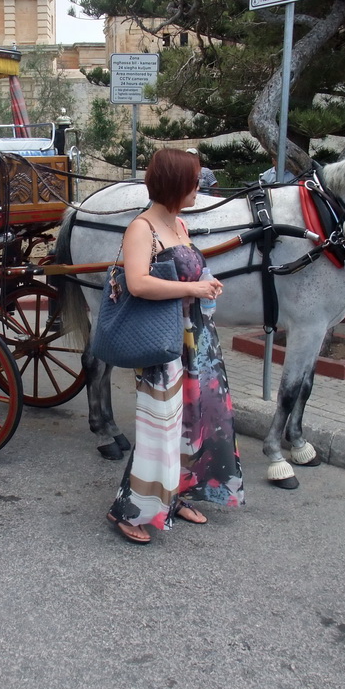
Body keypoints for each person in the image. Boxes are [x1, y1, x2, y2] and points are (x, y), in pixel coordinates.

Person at [106, 148, 245, 545]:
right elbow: (138, 283)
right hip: (162, 340)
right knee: (160, 425)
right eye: (195, 179)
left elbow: (190, 271)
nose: (200, 185)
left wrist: (208, 283)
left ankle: (175, 493)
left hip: (196, 337)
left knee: (193, 420)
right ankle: (127, 509)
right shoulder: (141, 228)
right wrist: (194, 287)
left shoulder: (179, 225)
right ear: (175, 183)